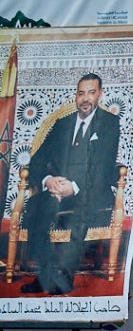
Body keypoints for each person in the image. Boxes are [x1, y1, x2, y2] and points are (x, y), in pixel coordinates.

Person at [21, 73, 120, 295]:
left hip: (90, 193)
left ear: (100, 94)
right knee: (35, 208)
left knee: (80, 213)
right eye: (81, 93)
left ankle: (62, 279)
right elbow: (37, 160)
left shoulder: (110, 123)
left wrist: (73, 187)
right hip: (56, 191)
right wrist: (48, 181)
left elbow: (104, 167)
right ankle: (45, 276)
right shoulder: (62, 124)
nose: (86, 99)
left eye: (91, 93)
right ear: (76, 96)